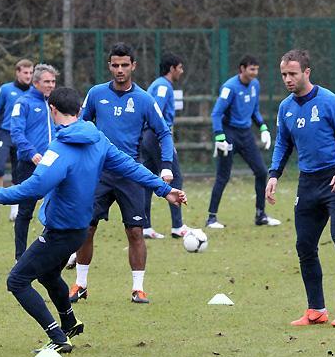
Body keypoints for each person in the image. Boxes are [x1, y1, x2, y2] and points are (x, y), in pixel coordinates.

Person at [0, 87, 187, 353]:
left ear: (52, 110)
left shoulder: (59, 149)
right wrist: (164, 189)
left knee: (17, 281)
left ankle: (57, 337)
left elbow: (35, 187)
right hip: (78, 230)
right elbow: (131, 166)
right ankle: (69, 323)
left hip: (60, 231)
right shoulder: (98, 139)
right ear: (79, 111)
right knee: (48, 274)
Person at [70, 42, 175, 304]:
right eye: (115, 65)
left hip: (130, 174)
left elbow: (164, 132)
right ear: (109, 66)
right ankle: (80, 284)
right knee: (86, 227)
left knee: (135, 231)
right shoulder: (96, 94)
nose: (120, 70)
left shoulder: (144, 99)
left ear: (133, 66)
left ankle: (138, 289)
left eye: (124, 65)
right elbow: (81, 125)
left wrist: (166, 166)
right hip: (99, 173)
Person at [266, 49, 335, 328]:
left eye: (292, 73)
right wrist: (274, 175)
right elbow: (283, 143)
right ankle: (316, 309)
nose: (287, 79)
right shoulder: (285, 108)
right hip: (307, 183)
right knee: (305, 245)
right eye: (283, 74)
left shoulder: (331, 102)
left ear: (307, 72)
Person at [205, 55, 280, 229]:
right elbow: (216, 113)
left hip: (246, 135)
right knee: (223, 176)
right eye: (252, 69)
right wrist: (219, 137)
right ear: (242, 69)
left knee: (261, 172)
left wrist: (263, 128)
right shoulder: (229, 87)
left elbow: (254, 111)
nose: (255, 73)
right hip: (229, 134)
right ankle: (211, 218)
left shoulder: (255, 85)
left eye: (257, 69)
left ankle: (260, 215)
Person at [141, 52, 193, 239]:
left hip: (148, 136)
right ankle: (177, 226)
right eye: (180, 68)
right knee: (175, 177)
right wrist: (165, 141)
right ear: (172, 69)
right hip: (156, 136)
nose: (181, 71)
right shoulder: (163, 86)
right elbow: (157, 112)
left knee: (147, 180)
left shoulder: (158, 84)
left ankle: (145, 227)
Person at [10, 63, 57, 260]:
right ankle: (20, 257)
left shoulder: (55, 103)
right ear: (36, 82)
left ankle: (55, 251)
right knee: (25, 211)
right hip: (29, 165)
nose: (51, 85)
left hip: (53, 164)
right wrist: (31, 153)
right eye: (47, 82)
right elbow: (16, 133)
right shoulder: (23, 103)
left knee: (57, 208)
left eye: (53, 81)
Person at [0, 59, 34, 222]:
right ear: (17, 72)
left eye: (31, 73)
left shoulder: (34, 92)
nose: (28, 76)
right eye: (25, 72)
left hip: (22, 137)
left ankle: (15, 210)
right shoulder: (6, 89)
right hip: (5, 134)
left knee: (18, 174)